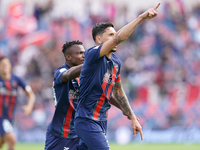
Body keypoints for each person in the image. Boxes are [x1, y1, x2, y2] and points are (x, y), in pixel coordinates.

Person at [74, 3, 161, 150]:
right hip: (87, 120)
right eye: (110, 35)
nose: (115, 37)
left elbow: (118, 92)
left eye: (115, 34)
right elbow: (119, 38)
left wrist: (132, 116)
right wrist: (141, 17)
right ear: (99, 39)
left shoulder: (115, 63)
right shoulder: (93, 54)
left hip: (101, 120)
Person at [44, 40, 130, 150]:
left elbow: (103, 93)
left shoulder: (87, 76)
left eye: (84, 53)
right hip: (62, 132)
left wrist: (125, 109)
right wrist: (89, 63)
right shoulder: (60, 71)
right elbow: (68, 75)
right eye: (79, 53)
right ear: (69, 57)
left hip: (82, 130)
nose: (84, 56)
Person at [0, 56, 35, 150]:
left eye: (6, 64)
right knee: (12, 140)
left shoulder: (17, 80)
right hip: (1, 117)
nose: (5, 67)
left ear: (10, 66)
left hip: (10, 117)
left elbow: (31, 94)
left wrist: (29, 106)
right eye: (2, 65)